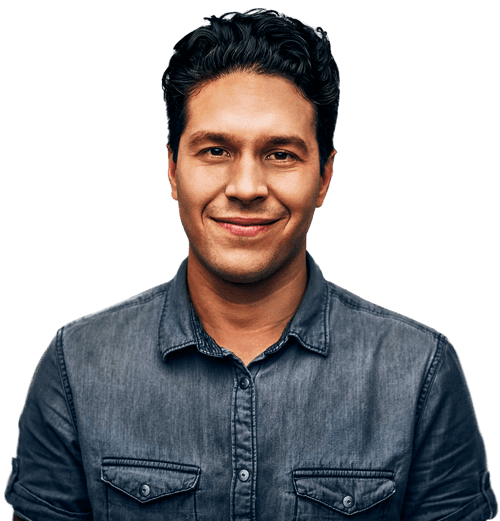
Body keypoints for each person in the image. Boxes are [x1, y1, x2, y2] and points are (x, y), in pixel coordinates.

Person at [5, 8, 497, 521]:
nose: (245, 188)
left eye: (281, 154)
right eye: (215, 149)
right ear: (173, 170)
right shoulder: (77, 367)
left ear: (325, 177)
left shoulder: (420, 371)